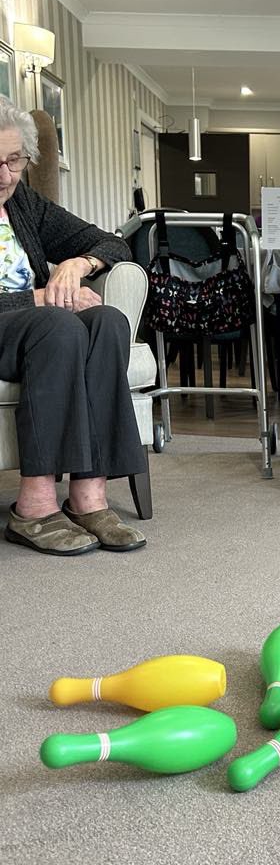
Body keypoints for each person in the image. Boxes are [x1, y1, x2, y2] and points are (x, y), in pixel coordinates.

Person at [0, 96, 147, 554]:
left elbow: (113, 243)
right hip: (23, 324)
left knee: (106, 321)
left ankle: (88, 497)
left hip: (34, 328)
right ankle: (34, 506)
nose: (4, 176)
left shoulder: (22, 202)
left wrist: (77, 265)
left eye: (14, 161)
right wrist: (43, 296)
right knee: (58, 324)